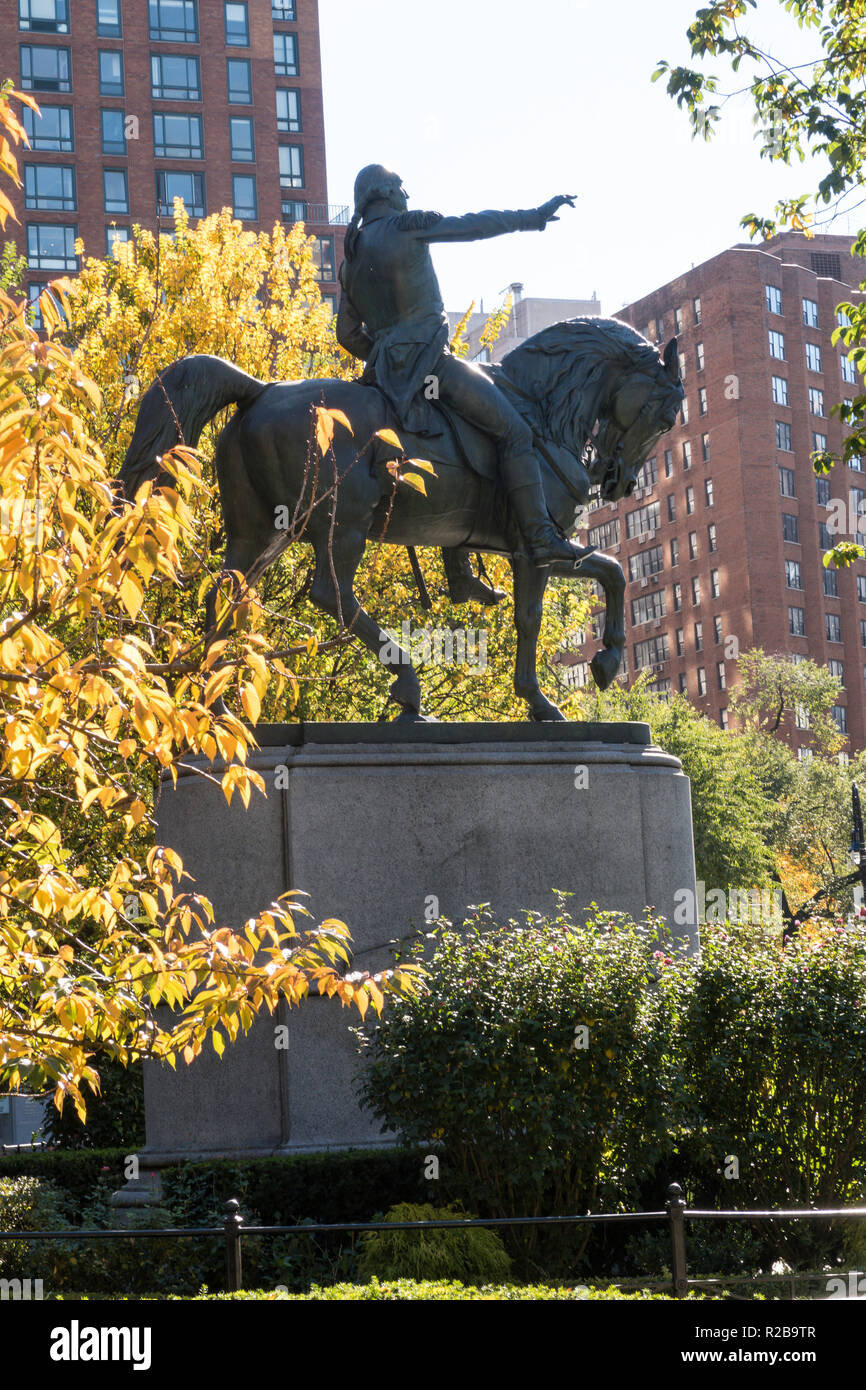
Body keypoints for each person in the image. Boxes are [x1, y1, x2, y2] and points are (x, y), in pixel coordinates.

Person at [336, 164, 591, 603]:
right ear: (385, 193)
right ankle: (540, 535)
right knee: (515, 432)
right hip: (432, 366)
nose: (407, 195)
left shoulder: (352, 258)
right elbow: (474, 226)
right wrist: (533, 217)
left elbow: (346, 334)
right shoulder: (407, 227)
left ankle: (460, 573)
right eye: (401, 188)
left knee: (457, 443)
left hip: (385, 378)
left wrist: (388, 353)